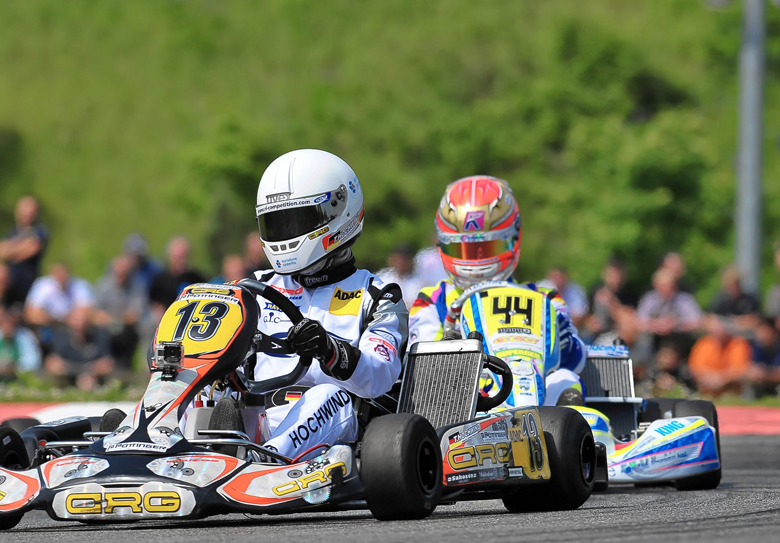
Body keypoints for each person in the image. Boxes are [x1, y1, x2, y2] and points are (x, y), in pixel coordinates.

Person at [240, 149, 407, 459]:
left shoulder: (378, 295)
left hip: (336, 422)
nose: (286, 235)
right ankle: (147, 443)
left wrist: (329, 349)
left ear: (338, 211)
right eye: (277, 224)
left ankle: (264, 462)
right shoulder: (255, 288)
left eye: (297, 222)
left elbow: (381, 375)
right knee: (208, 388)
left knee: (328, 395)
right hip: (256, 414)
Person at [408, 175, 586, 406]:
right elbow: (425, 370)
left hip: (542, 411)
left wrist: (564, 342)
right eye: (464, 250)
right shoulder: (434, 300)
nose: (475, 260)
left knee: (565, 379)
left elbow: (578, 361)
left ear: (512, 238)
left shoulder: (544, 298)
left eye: (486, 248)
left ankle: (578, 438)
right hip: (469, 409)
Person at [0, 195, 50, 301]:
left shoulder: (40, 230)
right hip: (8, 279)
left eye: (31, 209)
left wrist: (10, 249)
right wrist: (20, 247)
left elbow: (31, 249)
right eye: (25, 208)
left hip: (27, 279)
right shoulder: (12, 232)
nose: (28, 212)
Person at [95, 254, 147, 370]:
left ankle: (141, 368)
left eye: (124, 274)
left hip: (128, 328)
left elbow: (135, 314)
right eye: (117, 273)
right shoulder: (103, 285)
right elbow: (95, 312)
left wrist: (115, 319)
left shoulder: (136, 286)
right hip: (106, 326)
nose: (120, 277)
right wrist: (110, 319)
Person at [44, 306, 115, 391]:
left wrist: (91, 371)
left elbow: (107, 363)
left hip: (93, 377)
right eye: (75, 320)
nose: (79, 324)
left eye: (82, 320)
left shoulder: (99, 336)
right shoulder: (60, 337)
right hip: (68, 375)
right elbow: (54, 362)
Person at [688, 315, 752, 398]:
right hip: (707, 384)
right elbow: (696, 368)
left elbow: (741, 369)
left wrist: (721, 379)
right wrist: (710, 378)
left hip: (730, 387)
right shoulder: (703, 343)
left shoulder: (738, 344)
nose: (718, 332)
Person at [148, 236, 207, 319]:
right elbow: (154, 303)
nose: (181, 261)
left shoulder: (196, 278)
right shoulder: (160, 280)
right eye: (178, 257)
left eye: (184, 257)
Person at [709, 265, 760, 332]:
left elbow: (755, 320)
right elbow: (710, 319)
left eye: (734, 284)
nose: (731, 287)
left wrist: (738, 321)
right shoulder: (720, 299)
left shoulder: (749, 300)